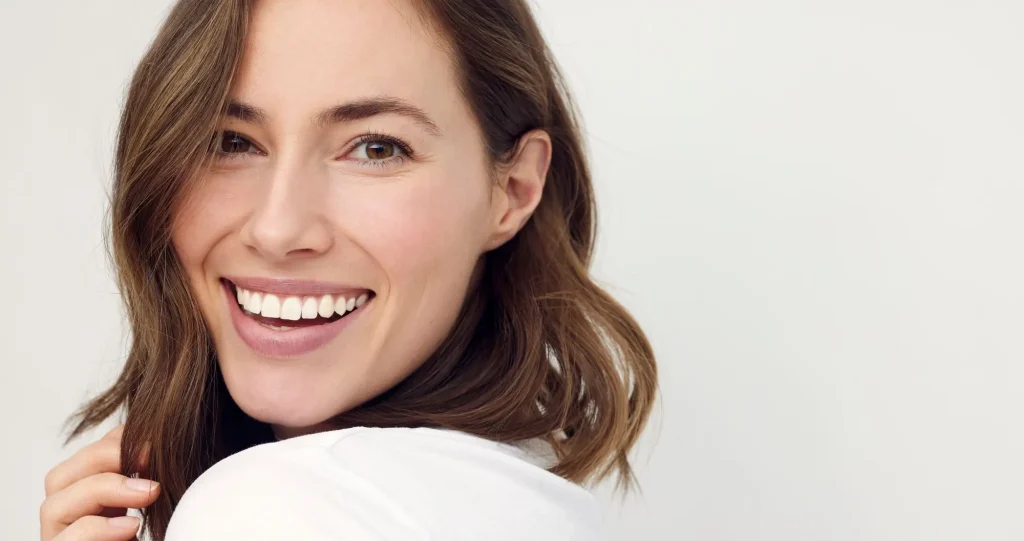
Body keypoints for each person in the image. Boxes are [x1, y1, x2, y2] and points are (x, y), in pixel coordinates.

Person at [39, 1, 657, 540]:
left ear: (514, 189)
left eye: (377, 148)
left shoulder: (271, 509)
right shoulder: (517, 491)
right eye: (231, 141)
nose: (277, 229)